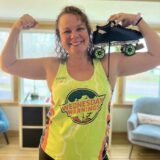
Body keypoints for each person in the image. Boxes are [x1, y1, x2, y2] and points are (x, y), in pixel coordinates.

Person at [1, 5, 160, 160]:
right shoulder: (51, 66)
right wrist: (16, 28)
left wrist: (138, 20)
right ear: (60, 37)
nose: (74, 35)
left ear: (89, 32)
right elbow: (7, 64)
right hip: (53, 153)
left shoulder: (110, 62)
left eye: (79, 28)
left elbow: (156, 56)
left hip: (95, 155)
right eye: (67, 31)